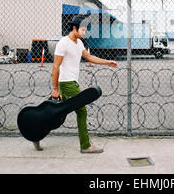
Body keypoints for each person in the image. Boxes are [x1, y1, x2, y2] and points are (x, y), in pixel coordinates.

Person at [33, 15, 117, 153]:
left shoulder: (79, 43)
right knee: (81, 111)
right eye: (83, 29)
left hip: (72, 83)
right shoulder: (63, 43)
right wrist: (55, 88)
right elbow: (55, 66)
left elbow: (89, 57)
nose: (85, 32)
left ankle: (35, 134)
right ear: (74, 28)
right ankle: (85, 145)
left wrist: (107, 62)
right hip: (66, 84)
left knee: (56, 115)